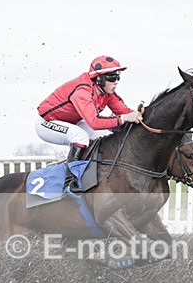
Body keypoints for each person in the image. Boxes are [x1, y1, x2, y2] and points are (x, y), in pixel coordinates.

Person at [35, 55, 142, 189]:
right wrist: (123, 119)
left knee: (103, 137)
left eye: (117, 77)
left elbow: (125, 113)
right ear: (99, 78)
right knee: (80, 136)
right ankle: (69, 182)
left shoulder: (107, 92)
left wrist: (141, 115)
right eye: (112, 77)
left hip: (72, 122)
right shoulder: (83, 90)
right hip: (46, 123)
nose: (116, 81)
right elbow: (95, 122)